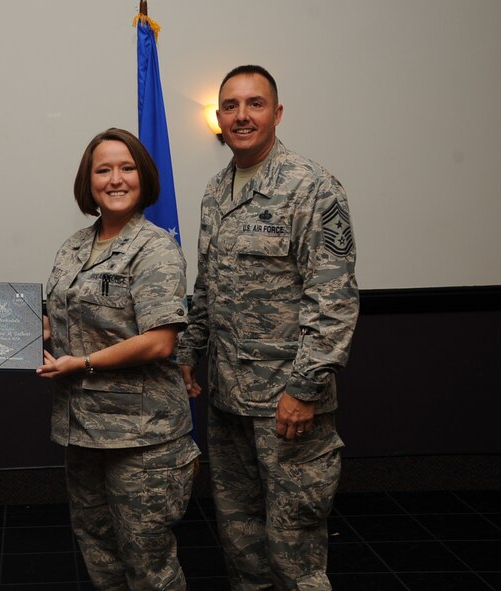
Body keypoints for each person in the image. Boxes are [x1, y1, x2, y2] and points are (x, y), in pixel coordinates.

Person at [176, 65, 359, 590]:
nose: (241, 115)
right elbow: (208, 290)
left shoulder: (313, 188)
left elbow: (335, 302)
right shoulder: (216, 193)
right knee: (242, 547)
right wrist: (189, 351)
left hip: (288, 409)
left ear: (276, 113)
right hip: (228, 404)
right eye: (230, 106)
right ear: (218, 117)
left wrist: (303, 390)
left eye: (255, 104)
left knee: (294, 553)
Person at [37, 128, 200, 590]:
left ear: (143, 177)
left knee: (148, 565)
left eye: (126, 168)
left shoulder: (155, 249)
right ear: (88, 181)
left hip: (143, 440)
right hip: (83, 432)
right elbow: (61, 322)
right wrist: (10, 328)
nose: (115, 179)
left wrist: (83, 363)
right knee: (100, 553)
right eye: (103, 169)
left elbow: (160, 342)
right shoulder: (73, 247)